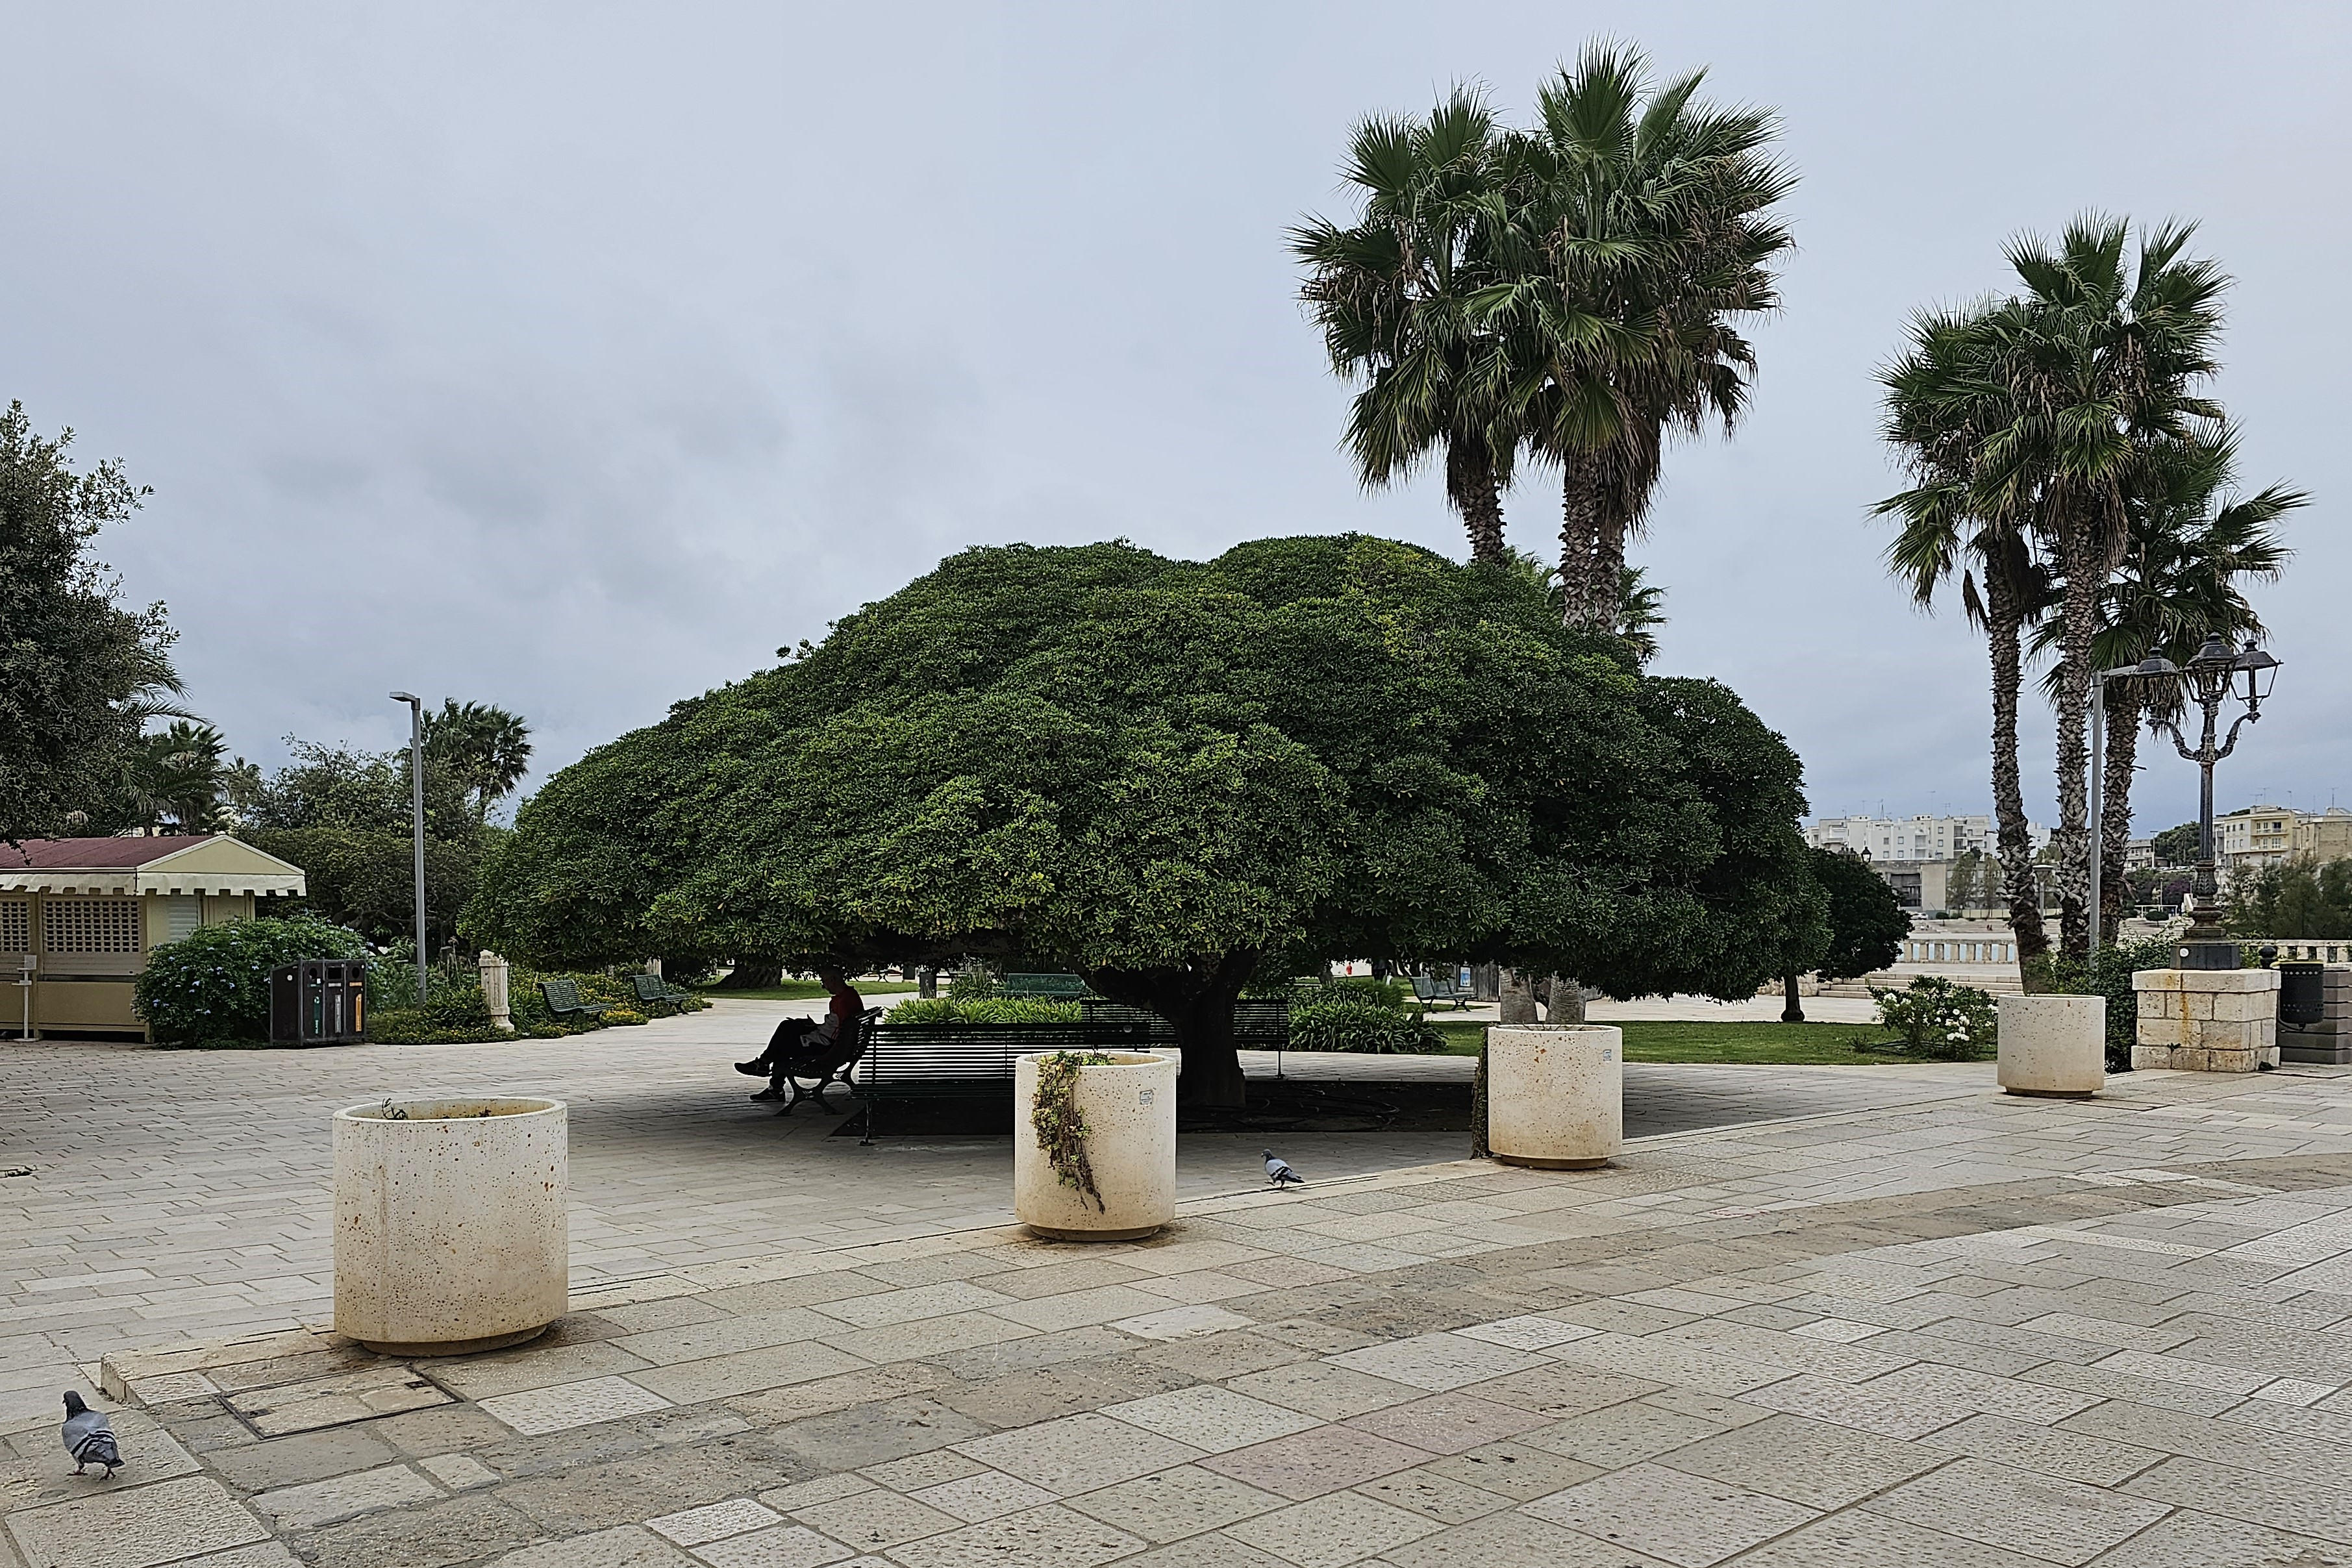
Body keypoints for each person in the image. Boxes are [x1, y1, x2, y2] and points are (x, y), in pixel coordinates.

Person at [736, 967, 864, 1100]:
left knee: (782, 1046)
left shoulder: (844, 1001)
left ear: (834, 980)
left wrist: (816, 1031)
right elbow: (838, 1028)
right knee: (790, 1026)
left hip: (828, 1047)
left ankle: (769, 1077)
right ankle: (765, 1068)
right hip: (830, 1042)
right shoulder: (848, 996)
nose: (823, 986)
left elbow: (842, 1033)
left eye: (824, 982)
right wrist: (815, 1027)